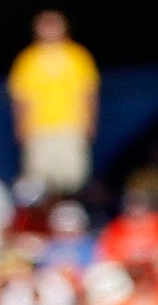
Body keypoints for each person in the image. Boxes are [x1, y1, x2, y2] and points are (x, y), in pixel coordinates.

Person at [9, 13, 99, 204]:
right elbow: (20, 98)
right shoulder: (28, 59)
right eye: (45, 26)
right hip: (39, 128)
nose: (49, 30)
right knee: (39, 179)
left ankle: (68, 214)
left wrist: (90, 123)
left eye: (54, 25)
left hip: (70, 126)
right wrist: (21, 127)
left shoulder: (78, 56)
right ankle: (47, 218)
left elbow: (89, 93)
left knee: (72, 178)